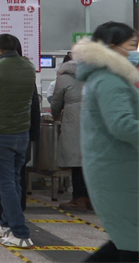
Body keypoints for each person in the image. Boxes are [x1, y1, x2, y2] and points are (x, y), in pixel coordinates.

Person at [72, 22, 139, 261]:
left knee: (126, 239)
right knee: (131, 240)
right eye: (131, 45)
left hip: (117, 165)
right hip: (118, 169)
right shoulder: (109, 79)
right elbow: (121, 124)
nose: (133, 51)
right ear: (112, 46)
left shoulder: (106, 76)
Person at [0, 34, 37, 249]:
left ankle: (20, 233)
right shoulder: (28, 68)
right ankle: (6, 224)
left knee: (5, 184)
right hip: (21, 134)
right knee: (15, 181)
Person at [50, 55, 88, 212]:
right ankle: (90, 199)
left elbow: (56, 102)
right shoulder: (92, 74)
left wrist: (56, 115)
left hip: (73, 121)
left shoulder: (63, 78)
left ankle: (78, 198)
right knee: (88, 161)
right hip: (92, 120)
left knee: (76, 162)